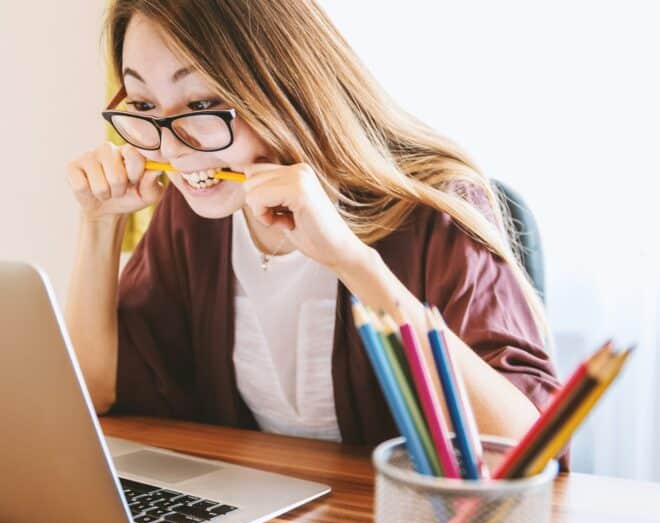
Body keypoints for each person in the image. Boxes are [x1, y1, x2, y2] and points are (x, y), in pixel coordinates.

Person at [65, 0, 564, 463]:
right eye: (145, 106)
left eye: (200, 105)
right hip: (265, 518)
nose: (172, 149)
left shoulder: (435, 208)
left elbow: (526, 449)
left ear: (283, 86)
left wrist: (353, 261)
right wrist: (101, 225)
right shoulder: (193, 215)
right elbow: (95, 391)